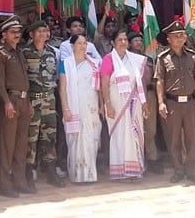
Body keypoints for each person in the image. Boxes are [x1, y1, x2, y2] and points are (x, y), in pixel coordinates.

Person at [155, 19, 195, 184]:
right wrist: (161, 102)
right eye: (176, 36)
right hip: (172, 103)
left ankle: (192, 170)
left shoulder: (192, 56)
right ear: (168, 38)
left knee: (192, 137)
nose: (180, 38)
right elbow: (160, 81)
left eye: (182, 35)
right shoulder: (163, 58)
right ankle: (178, 169)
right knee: (174, 138)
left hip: (190, 102)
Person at [0, 15, 34, 197]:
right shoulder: (0, 53)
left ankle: (19, 181)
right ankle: (5, 184)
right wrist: (7, 102)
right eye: (13, 32)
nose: (17, 35)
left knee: (21, 145)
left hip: (24, 101)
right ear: (4, 34)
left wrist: (29, 102)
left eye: (18, 32)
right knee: (7, 144)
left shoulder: (20, 52)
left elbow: (26, 81)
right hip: (11, 101)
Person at [100, 29, 148, 180]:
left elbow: (139, 83)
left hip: (134, 103)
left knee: (133, 134)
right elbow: (104, 83)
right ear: (113, 43)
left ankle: (135, 169)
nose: (123, 42)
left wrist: (144, 102)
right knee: (119, 135)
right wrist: (108, 104)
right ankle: (121, 170)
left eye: (125, 40)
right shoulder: (108, 59)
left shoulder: (134, 59)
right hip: (116, 102)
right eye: (119, 40)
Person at [23, 21, 65, 189]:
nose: (42, 34)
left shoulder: (52, 53)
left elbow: (55, 76)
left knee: (50, 136)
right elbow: (22, 79)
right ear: (31, 34)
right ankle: (29, 171)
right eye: (38, 31)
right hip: (32, 100)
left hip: (49, 100)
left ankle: (50, 170)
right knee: (31, 138)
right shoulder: (25, 53)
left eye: (45, 31)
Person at [58, 34, 103, 183]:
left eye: (85, 43)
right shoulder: (66, 63)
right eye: (79, 43)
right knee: (76, 140)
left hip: (91, 106)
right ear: (72, 46)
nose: (82, 46)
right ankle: (77, 175)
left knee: (91, 138)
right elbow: (63, 89)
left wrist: (102, 105)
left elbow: (99, 88)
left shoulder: (94, 63)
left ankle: (90, 174)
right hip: (73, 106)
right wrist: (65, 109)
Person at [129, 29, 162, 174]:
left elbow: (156, 77)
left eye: (141, 41)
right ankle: (137, 159)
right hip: (133, 96)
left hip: (149, 94)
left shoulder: (148, 59)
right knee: (135, 129)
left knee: (150, 128)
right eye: (135, 41)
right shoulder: (127, 60)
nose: (139, 43)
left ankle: (152, 158)